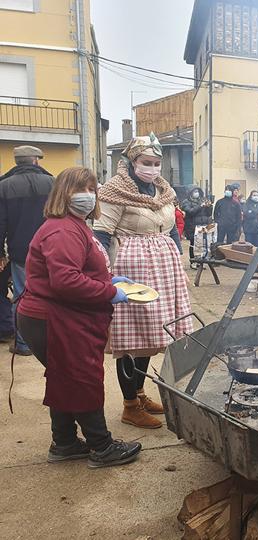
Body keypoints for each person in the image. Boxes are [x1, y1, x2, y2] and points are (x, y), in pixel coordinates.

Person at [17, 166, 141, 468]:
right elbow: (66, 281)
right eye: (79, 189)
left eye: (91, 189)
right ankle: (102, 447)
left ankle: (65, 443)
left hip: (55, 317)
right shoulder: (62, 229)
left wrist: (107, 279)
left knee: (65, 378)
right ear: (63, 193)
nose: (87, 196)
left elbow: (76, 270)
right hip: (53, 319)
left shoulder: (72, 225)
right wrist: (108, 292)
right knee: (82, 378)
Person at [94, 135, 192, 430]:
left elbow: (172, 230)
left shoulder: (163, 190)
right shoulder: (115, 191)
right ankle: (129, 406)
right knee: (131, 339)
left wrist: (179, 263)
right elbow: (101, 234)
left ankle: (139, 393)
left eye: (156, 163)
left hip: (164, 271)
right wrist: (105, 274)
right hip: (132, 270)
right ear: (132, 162)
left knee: (151, 337)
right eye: (146, 163)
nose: (152, 168)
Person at [0, 145, 54, 356]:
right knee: (52, 293)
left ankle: (23, 344)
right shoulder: (53, 182)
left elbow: (1, 224)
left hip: (21, 251)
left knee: (22, 295)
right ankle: (52, 339)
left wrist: (1, 254)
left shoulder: (4, 186)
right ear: (36, 161)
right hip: (52, 249)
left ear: (17, 162)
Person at [181, 187, 213, 261]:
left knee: (201, 244)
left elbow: (208, 214)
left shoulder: (201, 200)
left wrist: (209, 207)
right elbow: (190, 212)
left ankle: (201, 260)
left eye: (197, 191)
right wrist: (200, 206)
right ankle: (193, 260)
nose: (197, 193)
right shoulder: (186, 202)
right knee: (193, 244)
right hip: (192, 226)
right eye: (195, 191)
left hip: (202, 225)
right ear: (190, 193)